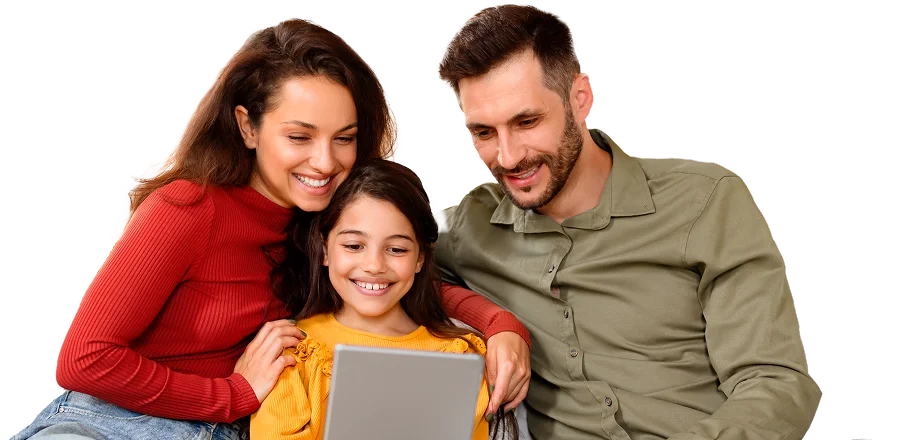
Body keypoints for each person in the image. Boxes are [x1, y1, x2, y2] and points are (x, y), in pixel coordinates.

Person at [15, 16, 529, 440]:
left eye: (344, 138)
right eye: (299, 137)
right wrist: (233, 396)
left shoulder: (323, 217)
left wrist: (500, 324)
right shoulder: (187, 209)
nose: (325, 162)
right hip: (113, 423)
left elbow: (398, 276)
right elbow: (85, 360)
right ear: (247, 126)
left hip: (235, 430)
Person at [433, 4, 823, 440]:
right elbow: (374, 270)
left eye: (527, 121)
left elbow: (775, 384)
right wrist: (498, 322)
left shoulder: (704, 201)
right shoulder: (469, 227)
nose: (507, 157)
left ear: (581, 95)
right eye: (484, 132)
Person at [251, 158, 518, 440]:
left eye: (396, 249)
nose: (374, 265)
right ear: (324, 249)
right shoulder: (293, 353)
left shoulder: (460, 356)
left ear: (420, 258)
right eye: (354, 246)